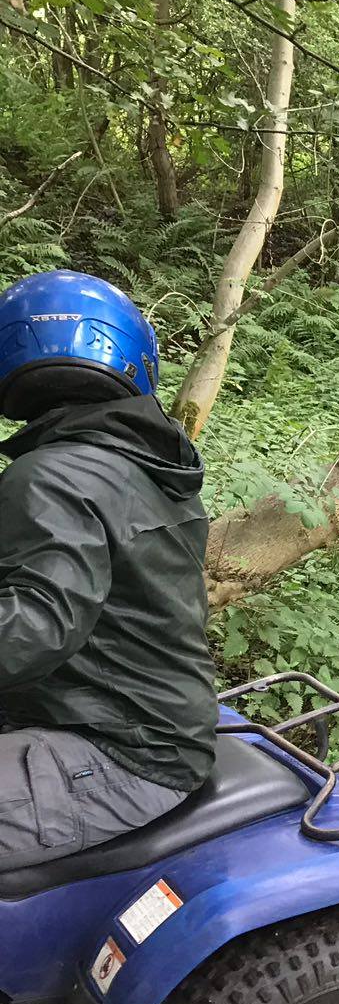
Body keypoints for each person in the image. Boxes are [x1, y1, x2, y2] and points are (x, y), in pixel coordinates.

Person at [0, 270, 215, 873]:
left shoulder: (50, 474)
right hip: (148, 721)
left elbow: (36, 623)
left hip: (118, 750)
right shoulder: (148, 466)